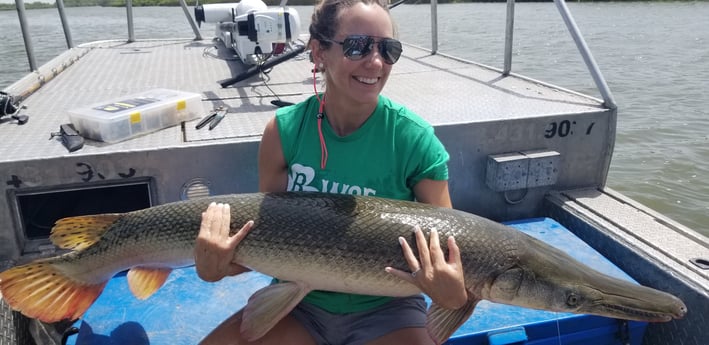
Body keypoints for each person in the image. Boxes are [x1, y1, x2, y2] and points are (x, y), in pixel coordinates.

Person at [194, 0, 468, 343]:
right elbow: (264, 236)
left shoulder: (415, 140)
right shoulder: (283, 132)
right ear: (319, 52)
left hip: (388, 309)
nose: (376, 62)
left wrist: (456, 296)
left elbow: (455, 252)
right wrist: (217, 265)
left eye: (389, 49)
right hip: (298, 301)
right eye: (357, 46)